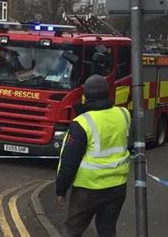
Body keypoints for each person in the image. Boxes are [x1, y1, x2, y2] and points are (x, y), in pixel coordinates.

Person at [56, 75, 131, 236]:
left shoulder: (82, 122)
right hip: (117, 187)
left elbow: (69, 162)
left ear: (86, 95)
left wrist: (61, 189)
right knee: (107, 229)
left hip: (88, 189)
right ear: (108, 92)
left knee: (72, 231)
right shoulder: (124, 114)